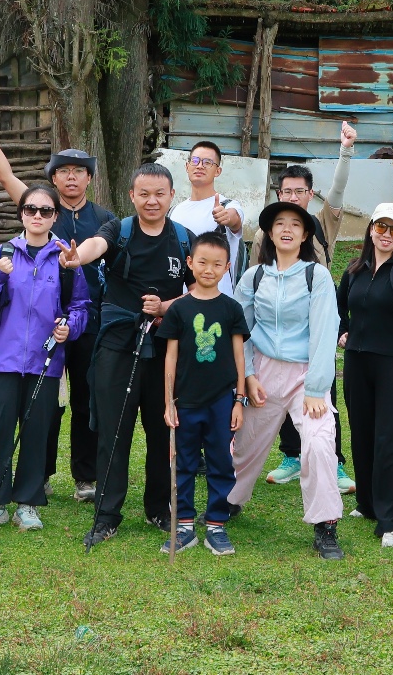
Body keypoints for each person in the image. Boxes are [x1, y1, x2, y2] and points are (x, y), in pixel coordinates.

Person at [0, 98, 113, 503]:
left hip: (82, 318)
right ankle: (40, 475)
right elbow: (5, 174)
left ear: (89, 178)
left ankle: (84, 475)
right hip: (31, 330)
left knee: (85, 400)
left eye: (79, 171)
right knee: (45, 403)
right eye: (63, 170)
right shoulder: (38, 207)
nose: (71, 177)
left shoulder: (104, 218)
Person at [61, 163, 195, 549]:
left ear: (171, 197)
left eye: (160, 194)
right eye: (144, 194)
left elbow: (201, 289)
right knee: (113, 430)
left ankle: (159, 508)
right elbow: (95, 246)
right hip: (118, 344)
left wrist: (166, 307)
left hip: (166, 348)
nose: (152, 201)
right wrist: (78, 258)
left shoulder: (183, 239)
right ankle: (106, 515)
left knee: (162, 429)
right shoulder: (117, 230)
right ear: (132, 196)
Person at [0, 186, 91, 532]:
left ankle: (28, 503)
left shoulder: (65, 258)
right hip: (1, 360)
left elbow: (81, 306)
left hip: (45, 360)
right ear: (21, 213)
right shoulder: (1, 253)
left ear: (55, 216)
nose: (37, 216)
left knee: (37, 433)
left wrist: (70, 328)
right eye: (31, 209)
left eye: (45, 211)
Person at [228, 201, 346, 560]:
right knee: (245, 442)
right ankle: (229, 501)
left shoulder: (316, 276)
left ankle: (325, 525)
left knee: (319, 443)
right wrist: (248, 375)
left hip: (305, 375)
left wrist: (315, 389)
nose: (287, 230)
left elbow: (325, 331)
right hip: (262, 372)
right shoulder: (254, 277)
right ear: (269, 232)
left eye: (295, 224)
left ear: (305, 234)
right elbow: (241, 330)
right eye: (279, 223)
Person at [255, 123, 359, 496]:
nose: (293, 197)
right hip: (278, 327)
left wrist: (346, 150)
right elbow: (254, 280)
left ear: (309, 194)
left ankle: (335, 461)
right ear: (278, 194)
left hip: (317, 324)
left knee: (323, 392)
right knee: (280, 393)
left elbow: (339, 189)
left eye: (300, 191)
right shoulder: (264, 232)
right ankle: (292, 456)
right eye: (287, 191)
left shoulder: (321, 223)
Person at [336, 202, 393, 548]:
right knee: (361, 431)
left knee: (390, 438)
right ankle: (368, 503)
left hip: (392, 362)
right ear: (371, 229)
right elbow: (340, 307)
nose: (386, 235)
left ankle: (392, 520)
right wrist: (343, 331)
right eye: (381, 227)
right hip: (357, 361)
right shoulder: (355, 269)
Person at [158, 231, 249, 556]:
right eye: (202, 262)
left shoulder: (231, 308)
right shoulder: (179, 309)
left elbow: (239, 357)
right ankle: (184, 525)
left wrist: (239, 400)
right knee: (183, 463)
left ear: (227, 267)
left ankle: (216, 524)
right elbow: (170, 357)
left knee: (220, 462)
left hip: (222, 401)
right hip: (184, 401)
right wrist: (168, 402)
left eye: (217, 264)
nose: (209, 270)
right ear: (190, 263)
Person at [169, 141, 245, 294]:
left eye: (207, 162)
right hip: (179, 300)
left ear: (218, 171)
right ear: (187, 166)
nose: (200, 166)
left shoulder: (228, 205)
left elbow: (235, 219)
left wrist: (226, 216)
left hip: (218, 300)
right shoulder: (173, 212)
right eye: (195, 161)